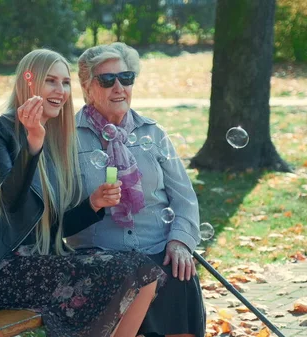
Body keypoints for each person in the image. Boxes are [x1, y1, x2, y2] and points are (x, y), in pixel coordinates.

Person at [0, 48, 166, 337]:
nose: (61, 90)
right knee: (129, 271)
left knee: (143, 271)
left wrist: (92, 204)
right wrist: (32, 143)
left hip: (42, 261)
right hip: (1, 271)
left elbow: (54, 228)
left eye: (66, 82)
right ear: (29, 82)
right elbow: (8, 202)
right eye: (51, 81)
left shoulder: (54, 141)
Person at [67, 42, 206, 337]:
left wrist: (180, 241)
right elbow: (58, 215)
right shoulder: (68, 138)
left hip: (160, 250)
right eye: (107, 80)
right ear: (87, 87)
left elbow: (184, 199)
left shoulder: (152, 133)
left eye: (126, 78)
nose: (119, 87)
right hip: (104, 258)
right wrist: (92, 202)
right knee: (136, 279)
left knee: (180, 273)